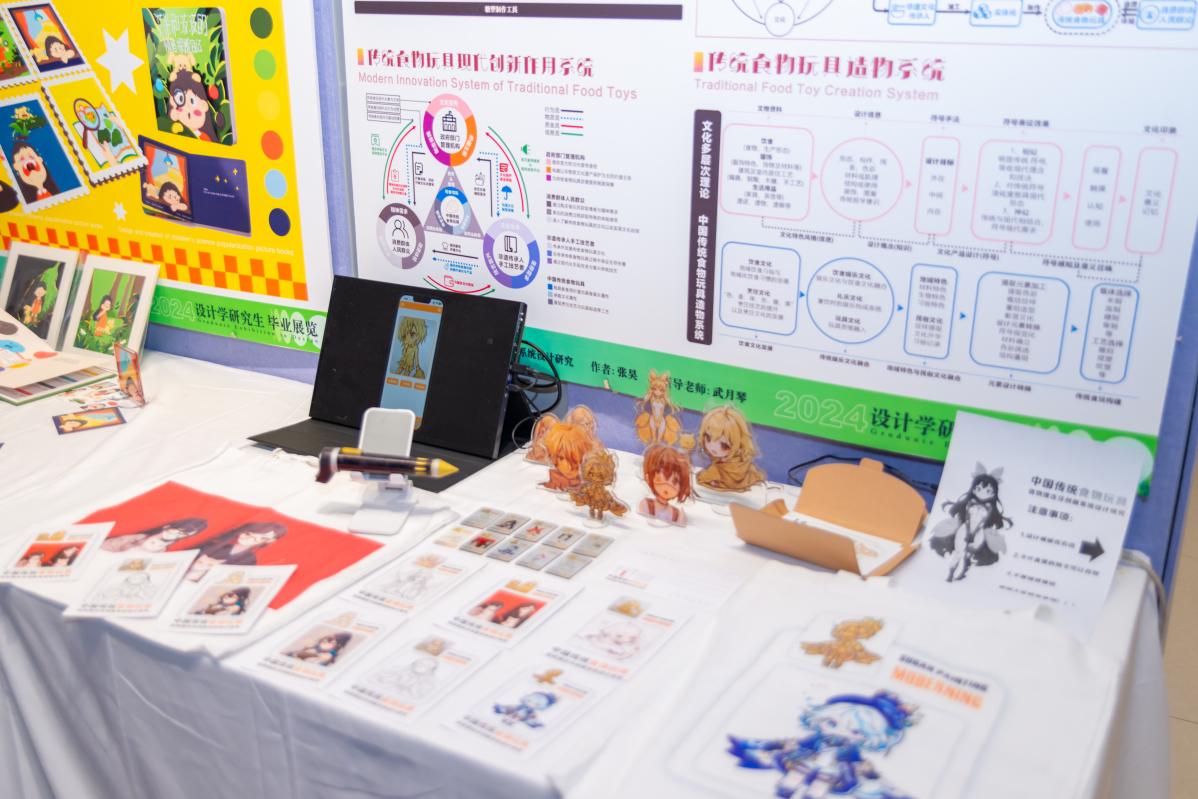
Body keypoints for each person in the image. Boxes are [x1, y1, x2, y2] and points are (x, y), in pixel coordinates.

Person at [727, 691, 916, 799]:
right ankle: (785, 791)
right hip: (807, 761)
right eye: (832, 723)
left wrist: (868, 772)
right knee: (795, 775)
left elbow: (858, 764)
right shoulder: (817, 739)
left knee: (820, 786)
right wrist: (787, 747)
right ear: (822, 717)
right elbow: (801, 744)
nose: (841, 732)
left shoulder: (850, 749)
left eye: (855, 732)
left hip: (832, 771)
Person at [929, 466, 1011, 582]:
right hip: (965, 529)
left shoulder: (989, 508)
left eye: (988, 491)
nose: (982, 493)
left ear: (994, 493)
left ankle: (963, 572)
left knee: (969, 554)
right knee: (958, 552)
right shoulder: (970, 503)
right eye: (978, 489)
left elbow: (988, 522)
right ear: (973, 489)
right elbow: (963, 515)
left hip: (979, 532)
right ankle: (951, 573)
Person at [184, 522, 287, 581]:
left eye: (262, 538)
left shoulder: (250, 560)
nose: (250, 539)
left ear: (269, 541)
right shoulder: (213, 543)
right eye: (248, 534)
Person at [695, 405, 765, 492]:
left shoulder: (717, 470)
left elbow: (701, 478)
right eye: (708, 437)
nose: (713, 447)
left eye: (724, 445)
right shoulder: (746, 464)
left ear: (738, 444)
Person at [638, 444, 692, 526]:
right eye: (659, 478)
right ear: (649, 478)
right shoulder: (646, 504)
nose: (667, 486)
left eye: (675, 482)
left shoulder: (677, 515)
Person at [169, 67, 221, 142]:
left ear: (203, 105)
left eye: (192, 101)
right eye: (181, 99)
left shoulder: (204, 137)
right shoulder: (177, 133)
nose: (188, 107)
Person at [540, 422, 596, 492]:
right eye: (562, 458)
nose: (571, 466)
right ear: (552, 456)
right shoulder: (545, 489)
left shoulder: (589, 484)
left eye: (574, 459)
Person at [103, 518, 207, 553]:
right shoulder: (139, 537)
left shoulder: (163, 549)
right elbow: (106, 546)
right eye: (178, 531)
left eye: (184, 535)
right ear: (167, 526)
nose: (177, 535)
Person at [287, 631, 353, 667]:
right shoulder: (316, 647)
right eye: (326, 640)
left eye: (332, 642)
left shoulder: (330, 654)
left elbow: (326, 659)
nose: (326, 642)